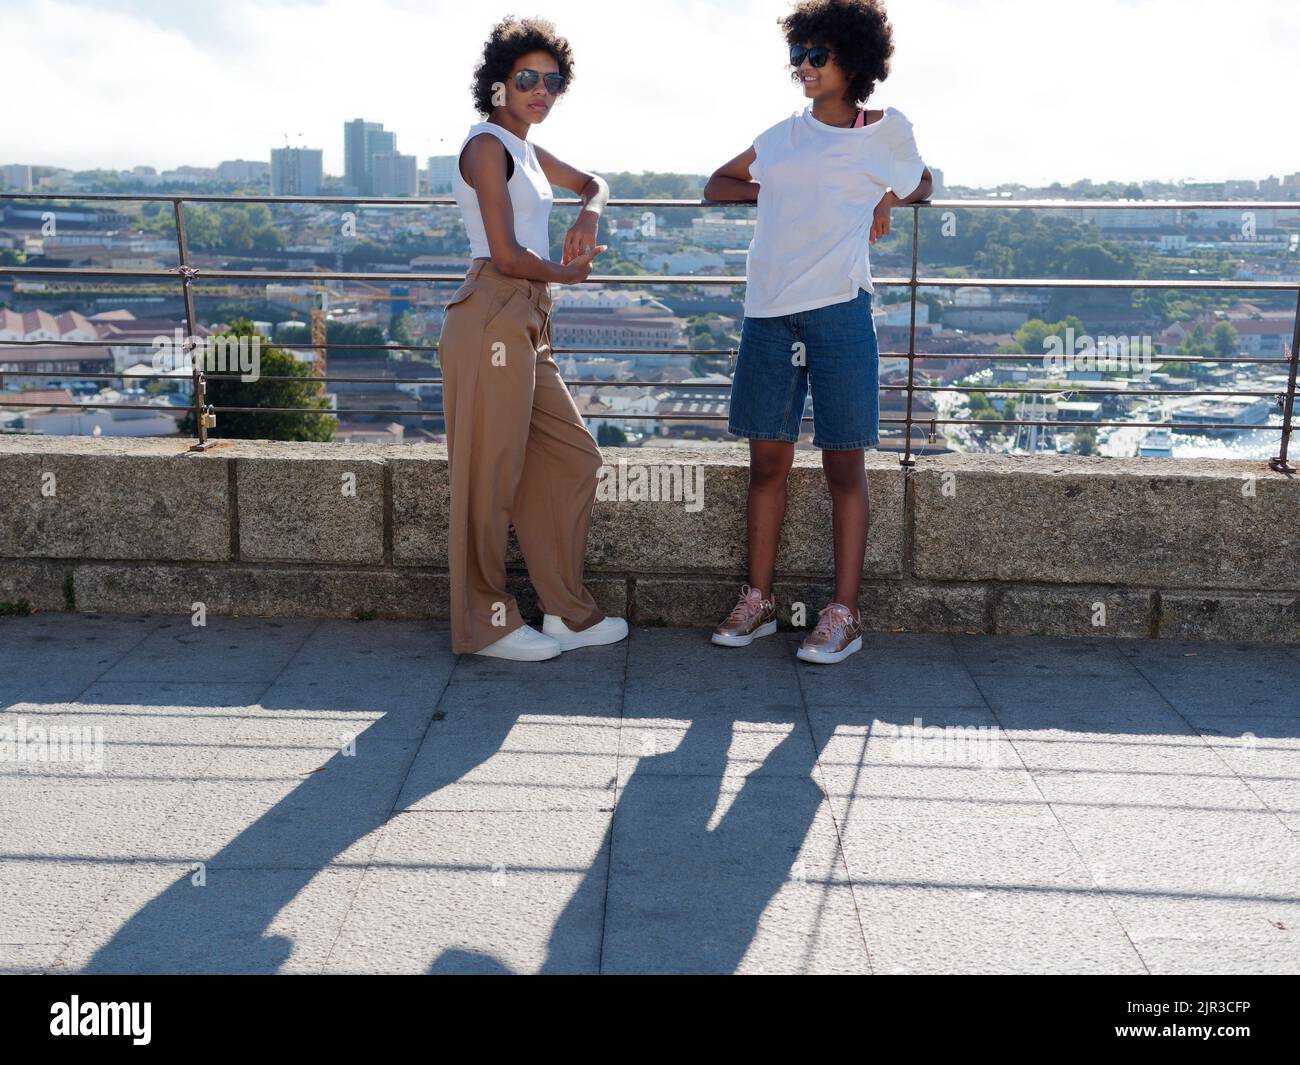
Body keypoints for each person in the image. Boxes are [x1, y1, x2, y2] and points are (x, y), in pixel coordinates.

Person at [703, 0, 932, 664]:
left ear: (854, 61)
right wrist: (773, 193)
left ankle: (844, 613)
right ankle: (760, 600)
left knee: (844, 464)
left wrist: (883, 197)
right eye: (798, 52)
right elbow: (719, 183)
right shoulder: (782, 136)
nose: (802, 64)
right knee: (766, 463)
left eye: (816, 54)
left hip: (838, 312)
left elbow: (925, 182)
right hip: (769, 313)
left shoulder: (885, 132)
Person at [440, 16, 629, 660]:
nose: (541, 91)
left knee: (574, 456)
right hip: (493, 307)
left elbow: (596, 183)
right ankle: (486, 624)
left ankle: (566, 613)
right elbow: (506, 252)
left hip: (527, 318)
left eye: (552, 82)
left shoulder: (525, 149)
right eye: (527, 79)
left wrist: (589, 212)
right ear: (498, 84)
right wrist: (568, 272)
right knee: (487, 479)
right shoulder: (486, 146)